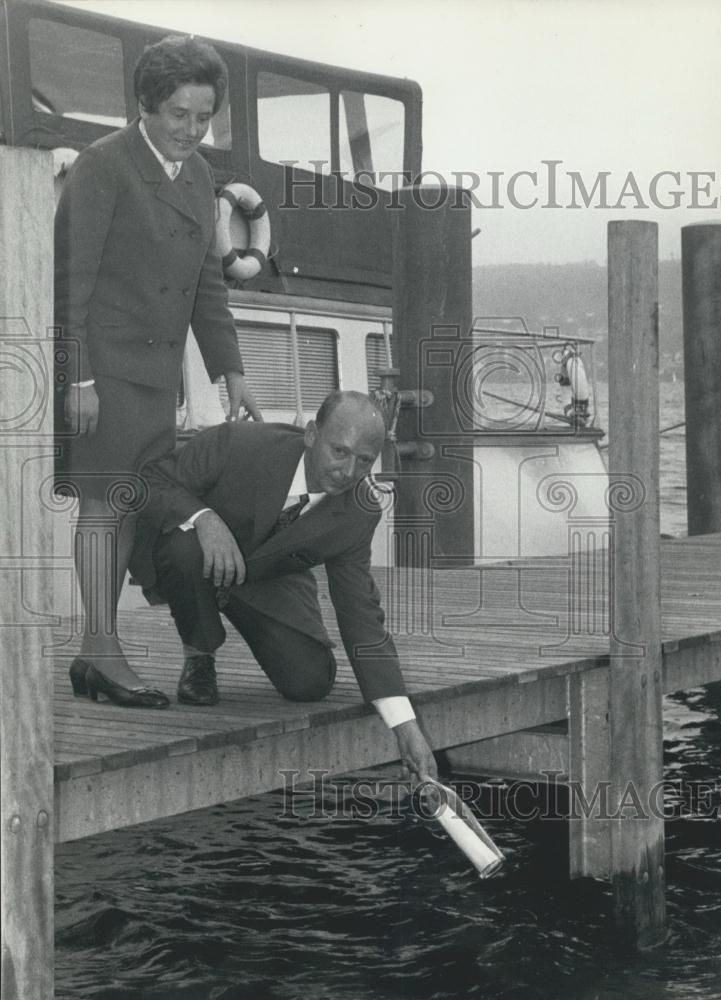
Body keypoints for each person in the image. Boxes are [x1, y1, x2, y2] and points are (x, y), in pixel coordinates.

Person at [55, 35, 260, 709]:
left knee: (123, 510)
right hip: (106, 372)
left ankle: (95, 656)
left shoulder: (199, 176)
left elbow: (208, 283)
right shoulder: (103, 165)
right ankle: (100, 651)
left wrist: (232, 372)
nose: (191, 130)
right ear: (146, 104)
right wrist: (77, 377)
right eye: (178, 114)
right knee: (103, 506)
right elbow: (72, 280)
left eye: (203, 117)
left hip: (156, 378)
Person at [130, 391, 437, 784]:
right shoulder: (238, 443)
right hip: (196, 557)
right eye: (339, 452)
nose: (348, 471)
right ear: (311, 434)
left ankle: (228, 599)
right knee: (184, 545)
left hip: (269, 577)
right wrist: (203, 517)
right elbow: (151, 480)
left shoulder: (360, 511)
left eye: (364, 461)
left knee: (309, 682)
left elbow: (362, 615)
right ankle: (199, 652)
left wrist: (405, 726)